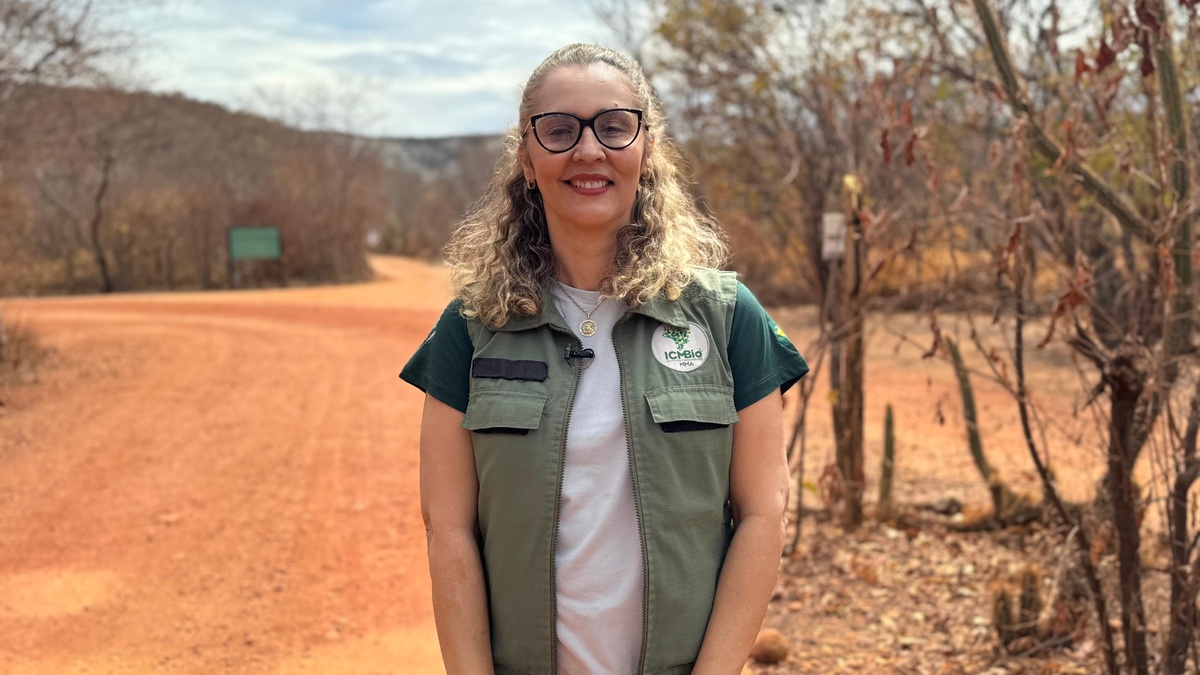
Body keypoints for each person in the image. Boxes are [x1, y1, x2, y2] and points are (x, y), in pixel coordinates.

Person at [400, 43, 808, 675]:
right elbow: (447, 529)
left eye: (614, 127)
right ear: (527, 159)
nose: (589, 150)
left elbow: (762, 514)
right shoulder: (472, 328)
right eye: (560, 130)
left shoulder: (728, 318)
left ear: (646, 152)